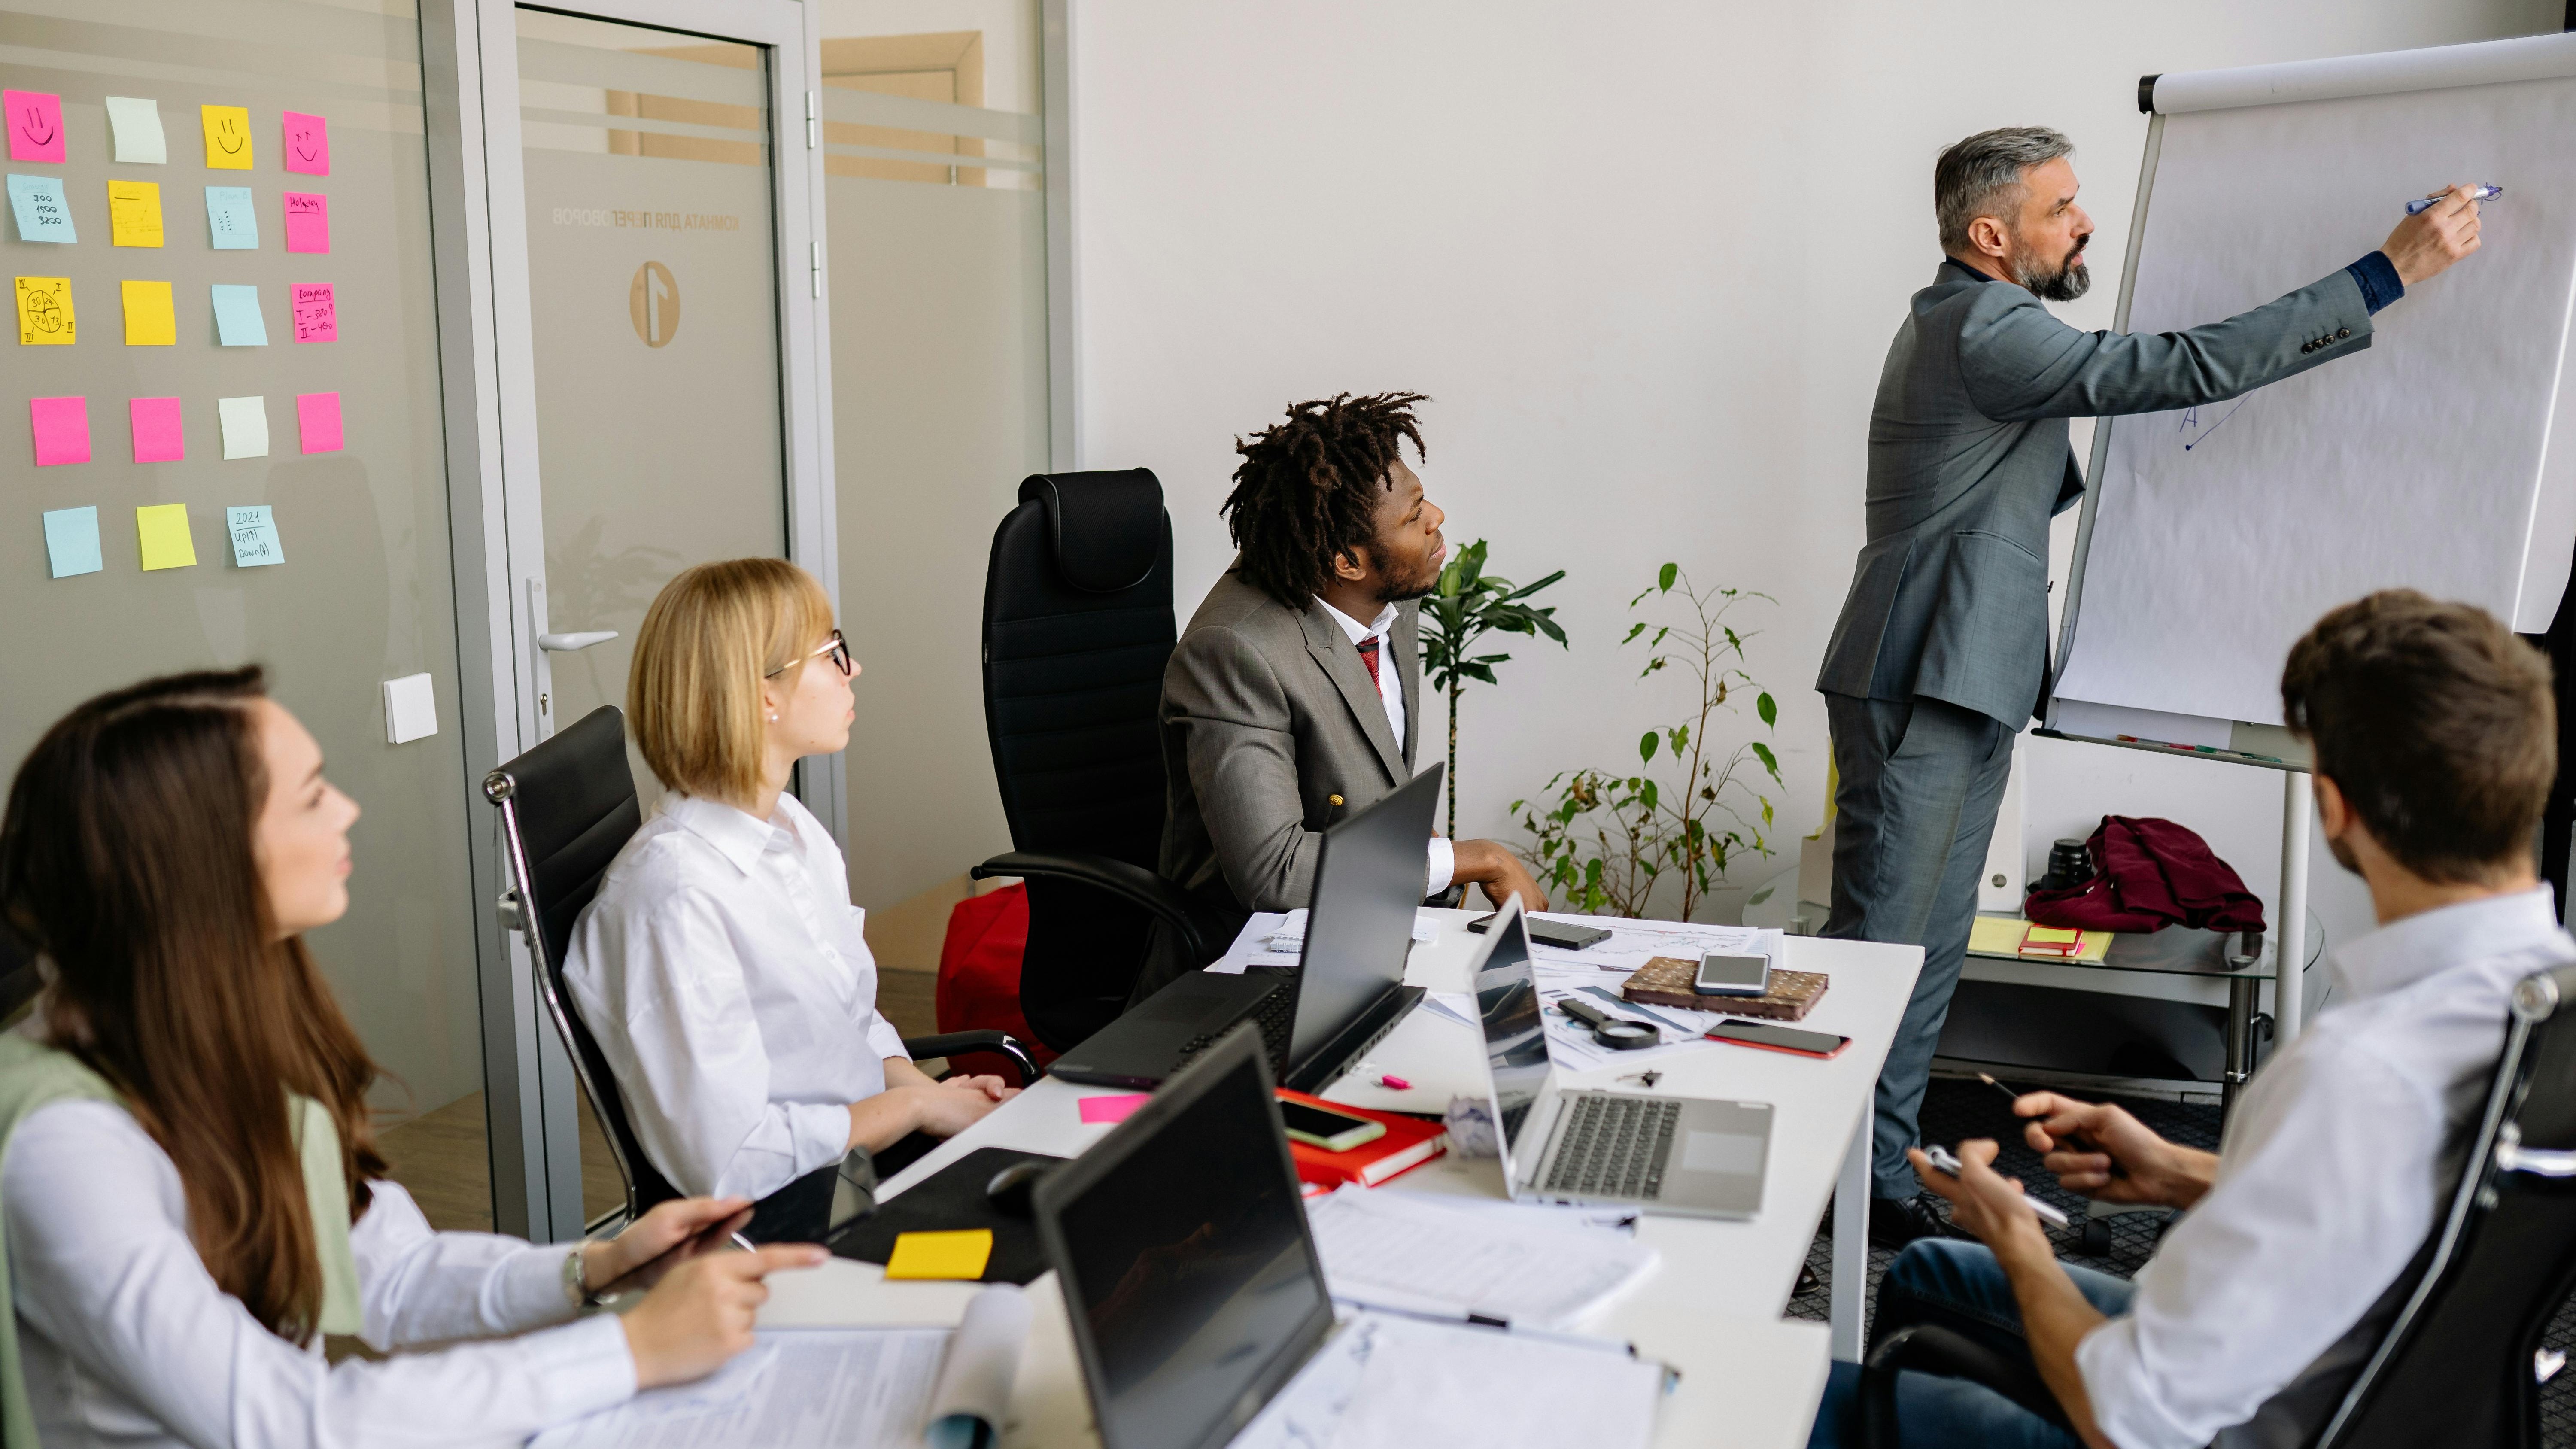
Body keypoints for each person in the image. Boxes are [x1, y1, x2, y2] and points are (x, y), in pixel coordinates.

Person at [1814, 125, 2490, 1246]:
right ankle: (1832, 1192)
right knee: (1887, 947)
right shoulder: (1986, 325)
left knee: (1921, 952)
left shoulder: (1974, 322)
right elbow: (2181, 368)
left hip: (1961, 673)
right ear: (1993, 235)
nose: (2084, 221)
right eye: (2061, 207)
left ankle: (1877, 1178)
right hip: (1923, 669)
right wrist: (2387, 274)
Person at [1807, 590, 2572, 1448]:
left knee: (1789, 1399)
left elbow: (2127, 1413)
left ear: (2333, 807)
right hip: (2372, 1386)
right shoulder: (2545, 1000)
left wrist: (2020, 1236)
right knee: (1929, 1271)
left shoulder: (2358, 1069)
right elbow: (2433, 1220)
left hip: (2217, 1420)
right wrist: (2182, 1170)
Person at [0, 667, 822, 1448]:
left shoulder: (220, 1039)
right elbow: (286, 1423)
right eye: (313, 796)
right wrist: (631, 1350)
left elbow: (393, 1274)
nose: (349, 810)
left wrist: (596, 1269)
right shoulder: (65, 1149)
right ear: (203, 864)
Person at [568, 559, 1018, 1217]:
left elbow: (847, 1020)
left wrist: (921, 1093)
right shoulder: (673, 901)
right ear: (763, 696)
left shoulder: (787, 827)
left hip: (863, 1156)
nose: (852, 669)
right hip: (805, 1209)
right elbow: (730, 1162)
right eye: (833, 652)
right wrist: (913, 1105)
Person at [1136, 391, 1547, 1002]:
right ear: (1346, 562)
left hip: (1361, 941)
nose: (1436, 516)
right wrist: (1471, 859)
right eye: (1413, 518)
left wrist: (1427, 864)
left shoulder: (1388, 599)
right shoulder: (1234, 652)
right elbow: (1275, 873)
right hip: (1244, 978)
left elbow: (1364, 778)